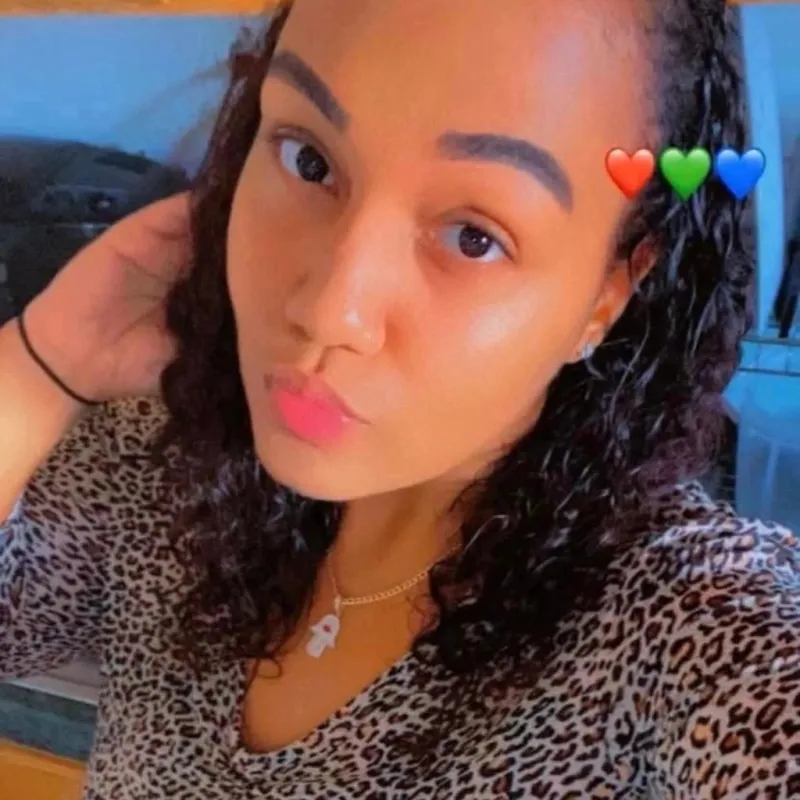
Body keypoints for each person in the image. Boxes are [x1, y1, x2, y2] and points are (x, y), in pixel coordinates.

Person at [2, 0, 799, 796]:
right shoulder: (171, 457)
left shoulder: (675, 625)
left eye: (474, 238)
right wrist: (40, 365)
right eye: (309, 160)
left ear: (608, 293)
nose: (328, 311)